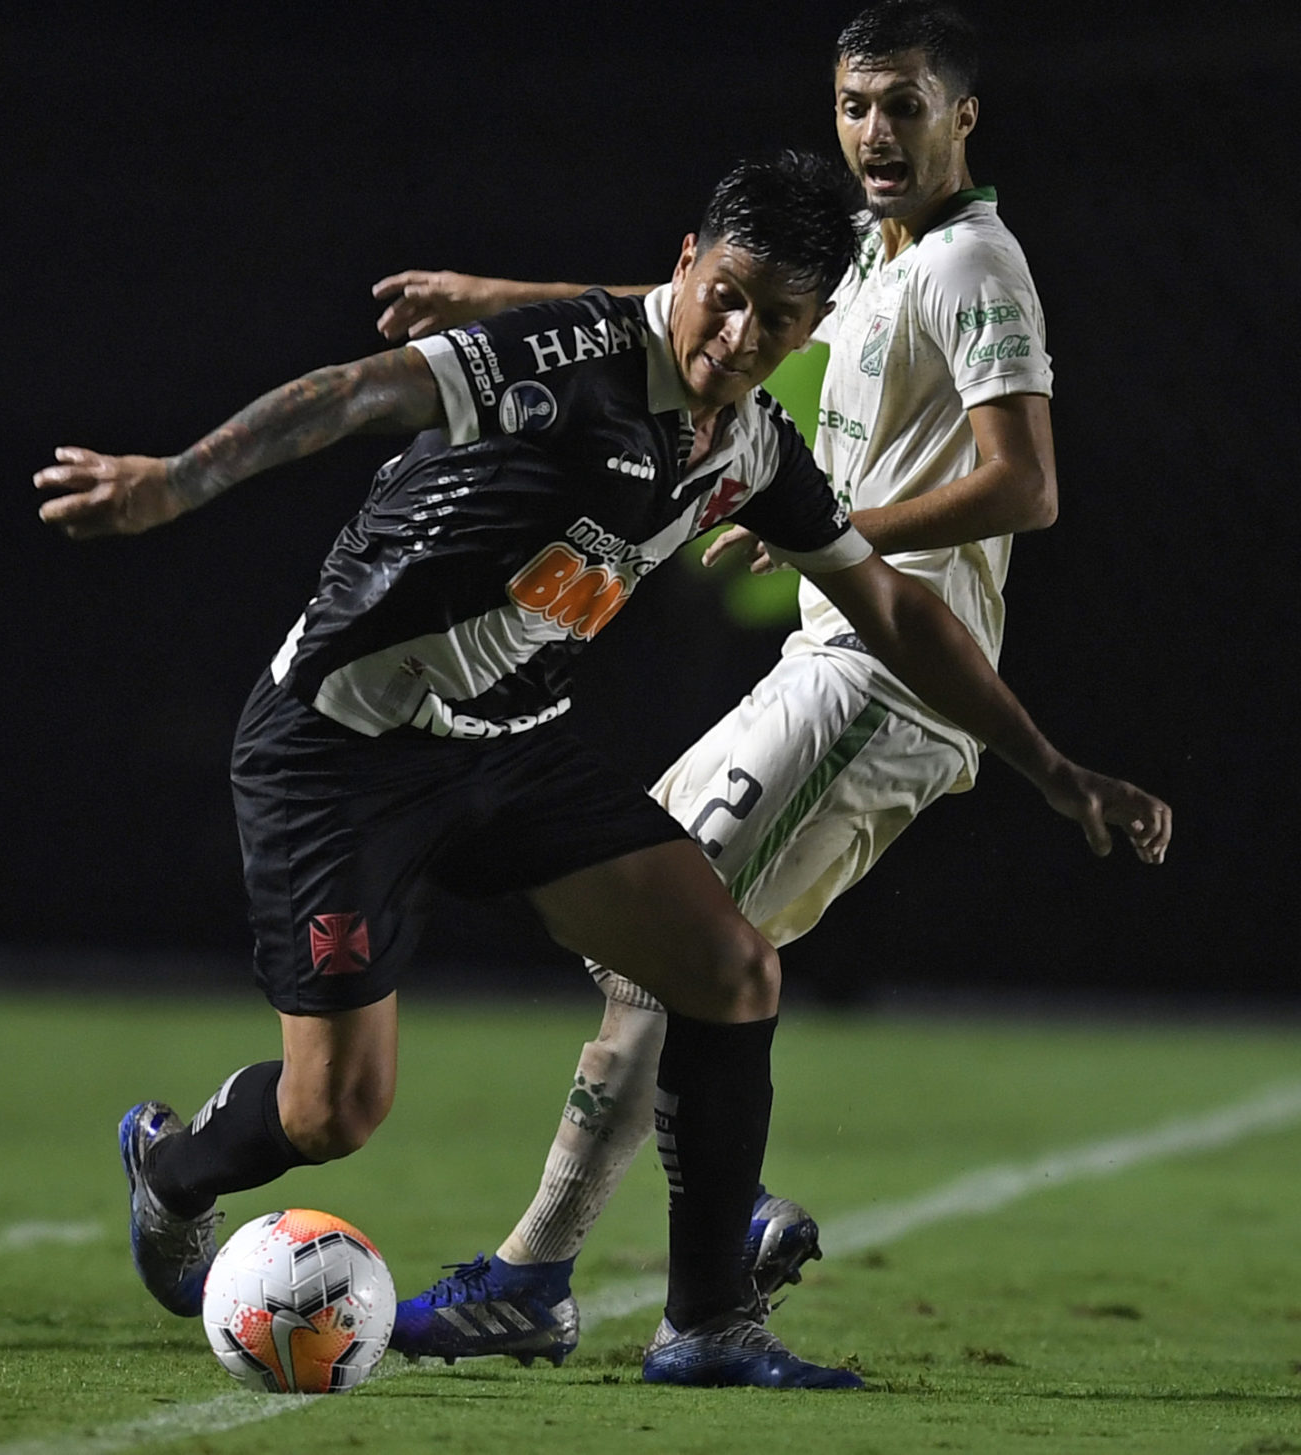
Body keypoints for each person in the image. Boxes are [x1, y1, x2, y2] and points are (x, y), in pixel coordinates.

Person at [35, 151, 1169, 1390]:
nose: (737, 336)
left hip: (511, 748)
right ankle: (172, 1167)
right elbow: (360, 391)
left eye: (776, 320)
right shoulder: (564, 356)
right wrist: (171, 482)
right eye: (723, 295)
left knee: (728, 967)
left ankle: (704, 1326)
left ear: (811, 325)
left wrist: (1054, 771)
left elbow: (892, 611)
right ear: (683, 264)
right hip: (342, 749)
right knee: (333, 1116)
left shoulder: (748, 446)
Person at [370, 0, 1085, 1365]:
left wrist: (846, 528)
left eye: (906, 104)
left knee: (671, 946)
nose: (877, 132)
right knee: (637, 926)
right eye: (857, 104)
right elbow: (702, 323)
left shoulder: (974, 265)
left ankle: (544, 1276)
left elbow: (1026, 484)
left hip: (889, 676)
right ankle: (721, 1204)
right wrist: (500, 303)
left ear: (963, 116)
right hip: (825, 658)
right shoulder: (878, 261)